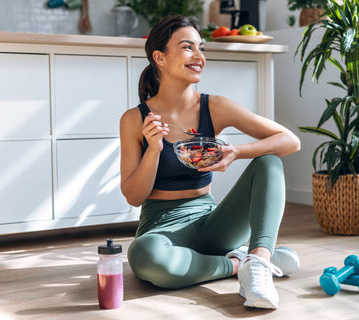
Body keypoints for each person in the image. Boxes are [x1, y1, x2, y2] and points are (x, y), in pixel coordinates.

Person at [120, 15, 301, 309]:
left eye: (201, 48)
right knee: (144, 256)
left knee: (268, 161)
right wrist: (153, 149)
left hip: (213, 224)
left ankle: (259, 263)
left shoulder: (214, 107)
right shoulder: (134, 120)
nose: (199, 56)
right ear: (159, 57)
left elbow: (290, 141)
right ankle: (236, 262)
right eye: (187, 47)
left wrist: (238, 151)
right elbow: (133, 196)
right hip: (160, 228)